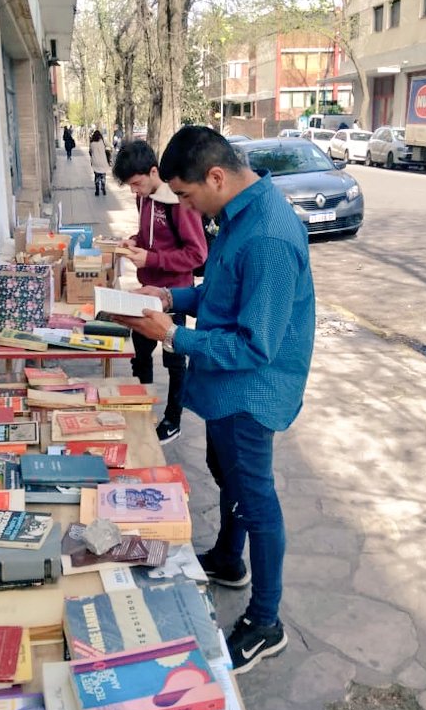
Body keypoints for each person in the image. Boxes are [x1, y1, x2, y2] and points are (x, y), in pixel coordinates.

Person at [111, 126, 314, 674]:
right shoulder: (238, 214)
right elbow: (216, 290)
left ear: (216, 177)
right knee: (225, 473)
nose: (184, 206)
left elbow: (255, 343)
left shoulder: (267, 235)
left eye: (185, 195)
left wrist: (173, 335)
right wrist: (168, 295)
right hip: (227, 382)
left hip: (253, 388)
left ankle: (266, 621)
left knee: (254, 494)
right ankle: (229, 558)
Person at [112, 140, 207, 443]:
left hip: (175, 294)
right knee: (140, 354)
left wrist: (152, 258)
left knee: (174, 358)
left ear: (154, 172)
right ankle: (143, 409)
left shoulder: (178, 203)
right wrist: (133, 242)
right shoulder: (145, 197)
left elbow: (197, 255)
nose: (134, 191)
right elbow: (147, 235)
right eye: (130, 186)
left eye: (137, 183)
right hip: (146, 291)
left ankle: (173, 419)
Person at [88, 130, 112, 196]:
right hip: (103, 161)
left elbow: (90, 151)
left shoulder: (92, 143)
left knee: (96, 176)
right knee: (103, 175)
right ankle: (103, 188)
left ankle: (97, 190)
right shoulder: (103, 141)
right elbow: (110, 146)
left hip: (95, 161)